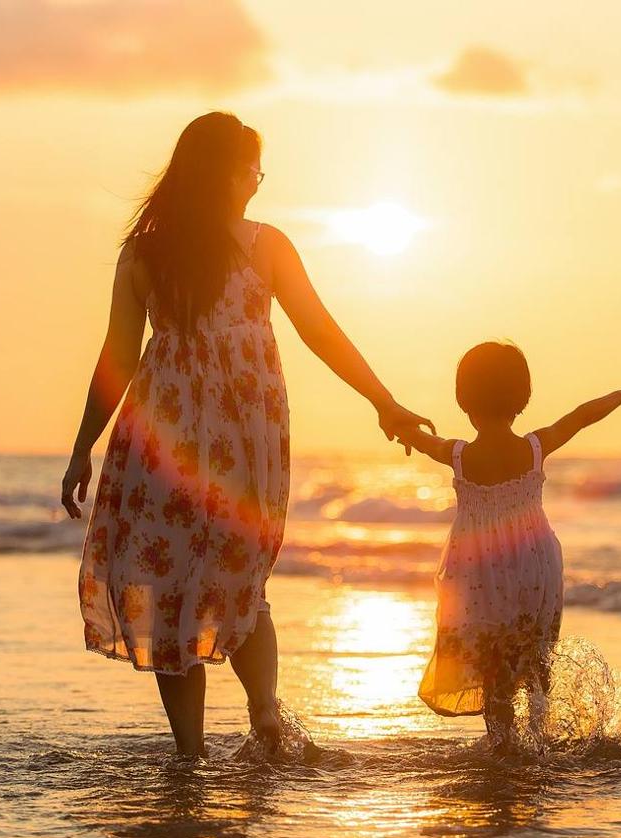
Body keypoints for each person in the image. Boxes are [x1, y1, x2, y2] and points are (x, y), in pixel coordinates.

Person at [60, 111, 432, 757]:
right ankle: (263, 717)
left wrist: (83, 447)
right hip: (243, 433)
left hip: (160, 436)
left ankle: (190, 753)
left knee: (167, 583)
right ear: (229, 172)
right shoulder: (264, 244)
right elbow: (319, 329)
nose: (258, 182)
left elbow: (117, 358)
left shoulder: (145, 250)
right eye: (253, 169)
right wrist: (383, 401)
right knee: (238, 576)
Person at [395, 341, 621, 747]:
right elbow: (581, 417)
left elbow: (423, 440)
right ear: (522, 397)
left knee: (494, 666)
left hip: (480, 573)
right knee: (535, 655)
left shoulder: (459, 455)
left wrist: (397, 426)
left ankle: (504, 745)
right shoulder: (534, 447)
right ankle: (539, 737)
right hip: (535, 566)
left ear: (463, 400)